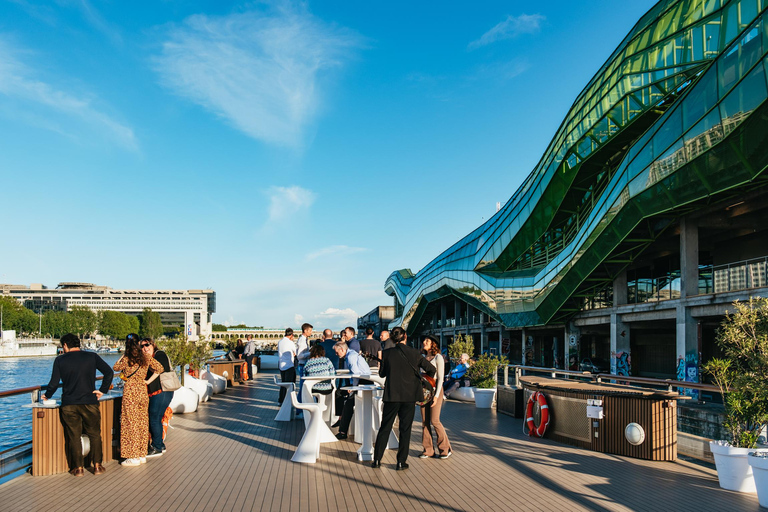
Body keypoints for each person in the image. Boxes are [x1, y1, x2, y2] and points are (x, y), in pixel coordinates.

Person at [42, 333, 114, 477]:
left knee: (73, 436)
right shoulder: (91, 357)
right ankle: (98, 466)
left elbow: (54, 383)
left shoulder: (60, 360)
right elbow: (109, 372)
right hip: (90, 401)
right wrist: (102, 391)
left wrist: (47, 395)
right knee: (94, 434)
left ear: (65, 346)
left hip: (69, 403)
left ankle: (79, 468)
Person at [372, 327, 435, 470]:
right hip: (409, 396)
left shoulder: (387, 353)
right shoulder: (415, 353)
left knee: (385, 427)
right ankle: (401, 462)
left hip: (392, 395)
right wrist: (421, 379)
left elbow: (382, 375)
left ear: (392, 339)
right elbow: (432, 369)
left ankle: (377, 460)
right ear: (405, 336)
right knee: (405, 429)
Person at [113, 333, 164, 466]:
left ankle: (133, 456)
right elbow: (160, 368)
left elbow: (116, 367)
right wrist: (147, 381)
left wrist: (124, 354)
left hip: (130, 391)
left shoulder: (127, 359)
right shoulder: (146, 357)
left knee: (130, 423)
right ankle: (142, 454)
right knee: (142, 422)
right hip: (142, 390)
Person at [419, 335, 451, 459]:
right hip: (424, 391)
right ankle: (428, 450)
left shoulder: (438, 357)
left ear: (433, 344)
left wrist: (437, 396)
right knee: (424, 421)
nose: (424, 342)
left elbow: (441, 378)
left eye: (427, 340)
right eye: (424, 340)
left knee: (435, 420)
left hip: (435, 390)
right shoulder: (422, 357)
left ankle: (445, 448)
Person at [332, 340, 371, 439]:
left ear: (342, 349)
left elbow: (356, 373)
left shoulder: (350, 357)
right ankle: (341, 419)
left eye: (337, 352)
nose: (336, 354)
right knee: (339, 393)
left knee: (348, 403)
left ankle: (343, 431)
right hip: (364, 381)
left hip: (363, 383)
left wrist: (353, 388)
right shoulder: (352, 354)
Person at [143, 338, 174, 457]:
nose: (145, 348)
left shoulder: (159, 354)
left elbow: (159, 368)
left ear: (153, 345)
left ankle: (157, 446)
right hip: (158, 392)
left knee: (154, 418)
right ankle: (160, 445)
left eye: (147, 345)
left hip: (162, 391)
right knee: (157, 418)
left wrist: (146, 359)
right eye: (142, 346)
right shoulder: (150, 357)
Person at [276, 328, 297, 404]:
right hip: (289, 365)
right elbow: (296, 352)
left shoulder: (280, 342)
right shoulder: (290, 342)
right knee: (290, 384)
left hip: (281, 365)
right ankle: (288, 400)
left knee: (283, 383)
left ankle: (281, 400)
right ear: (291, 335)